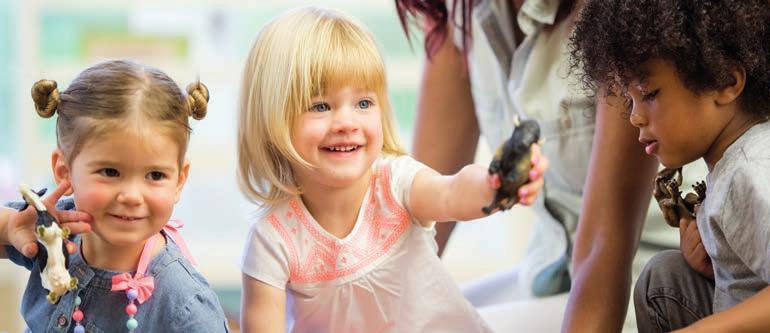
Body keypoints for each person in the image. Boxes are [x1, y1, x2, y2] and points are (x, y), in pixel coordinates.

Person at [236, 7, 548, 332]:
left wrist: (493, 184)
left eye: (364, 103)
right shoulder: (273, 239)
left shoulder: (395, 184)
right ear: (272, 123)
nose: (347, 122)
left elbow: (452, 192)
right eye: (320, 106)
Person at [571, 0, 770, 331]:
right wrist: (721, 266)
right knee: (665, 279)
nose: (634, 116)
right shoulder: (733, 164)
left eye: (650, 94)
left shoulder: (756, 168)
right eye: (630, 100)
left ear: (725, 82)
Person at [395, 0, 657, 330]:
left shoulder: (622, 15)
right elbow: (419, 221)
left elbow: (604, 252)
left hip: (643, 287)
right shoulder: (460, 12)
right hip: (546, 276)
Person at [0, 60, 230, 332]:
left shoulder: (185, 306)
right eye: (110, 172)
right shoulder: (52, 229)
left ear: (179, 180)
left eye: (155, 175)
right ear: (64, 171)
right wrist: (7, 227)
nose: (132, 196)